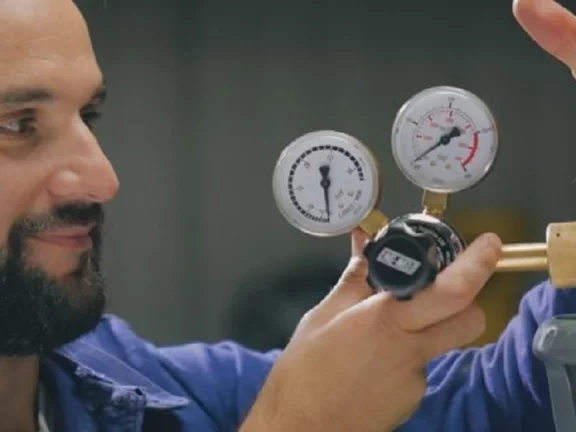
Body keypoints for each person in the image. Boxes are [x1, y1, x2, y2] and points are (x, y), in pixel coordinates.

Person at [0, 1, 568, 432]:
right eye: (17, 124)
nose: (103, 179)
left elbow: (494, 405)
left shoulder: (129, 387)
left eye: (89, 116)